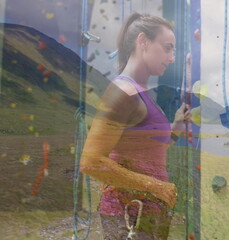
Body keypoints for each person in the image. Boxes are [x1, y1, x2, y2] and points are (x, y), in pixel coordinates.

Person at [80, 12, 191, 240]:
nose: (171, 58)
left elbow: (147, 150)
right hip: (128, 218)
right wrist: (156, 187)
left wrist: (177, 126)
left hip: (146, 216)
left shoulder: (140, 92)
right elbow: (90, 163)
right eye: (168, 48)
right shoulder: (122, 92)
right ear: (143, 41)